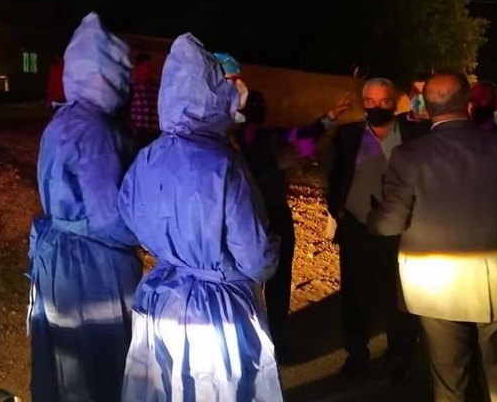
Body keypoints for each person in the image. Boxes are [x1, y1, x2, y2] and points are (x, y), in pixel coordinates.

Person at [119, 33, 283, 401]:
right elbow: (255, 257)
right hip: (216, 307)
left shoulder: (147, 157)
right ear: (214, 94)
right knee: (216, 387)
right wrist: (270, 252)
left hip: (161, 300)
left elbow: (129, 216)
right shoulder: (225, 164)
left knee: (165, 387)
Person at [368, 72, 497, 401]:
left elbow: (390, 223)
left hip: (433, 280)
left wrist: (371, 219)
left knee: (449, 378)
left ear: (425, 107)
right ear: (468, 104)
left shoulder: (408, 154)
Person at [26, 12, 142, 402]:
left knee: (65, 362)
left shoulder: (60, 122)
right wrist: (144, 232)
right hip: (93, 267)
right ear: (107, 73)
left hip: (58, 261)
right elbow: (109, 216)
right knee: (101, 364)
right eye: (122, 73)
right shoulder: (97, 132)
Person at [232, 87, 350, 359]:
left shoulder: (270, 137)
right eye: (253, 106)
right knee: (248, 282)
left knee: (279, 280)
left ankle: (275, 338)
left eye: (259, 105)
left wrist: (329, 119)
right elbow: (240, 179)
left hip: (274, 214)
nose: (257, 111)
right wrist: (276, 164)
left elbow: (306, 137)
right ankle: (250, 342)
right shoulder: (231, 143)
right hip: (247, 216)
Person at [325, 77, 428, 383]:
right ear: (363, 103)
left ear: (395, 102)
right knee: (355, 297)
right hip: (357, 228)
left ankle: (400, 356)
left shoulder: (414, 133)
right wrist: (337, 209)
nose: (377, 107)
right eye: (370, 102)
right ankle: (356, 354)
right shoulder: (348, 135)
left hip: (403, 231)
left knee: (400, 296)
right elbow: (333, 173)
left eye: (384, 102)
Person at [129, 53, 161, 148]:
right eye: (147, 66)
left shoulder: (155, 88)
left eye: (151, 66)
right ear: (139, 67)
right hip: (136, 136)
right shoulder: (131, 86)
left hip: (154, 136)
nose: (150, 69)